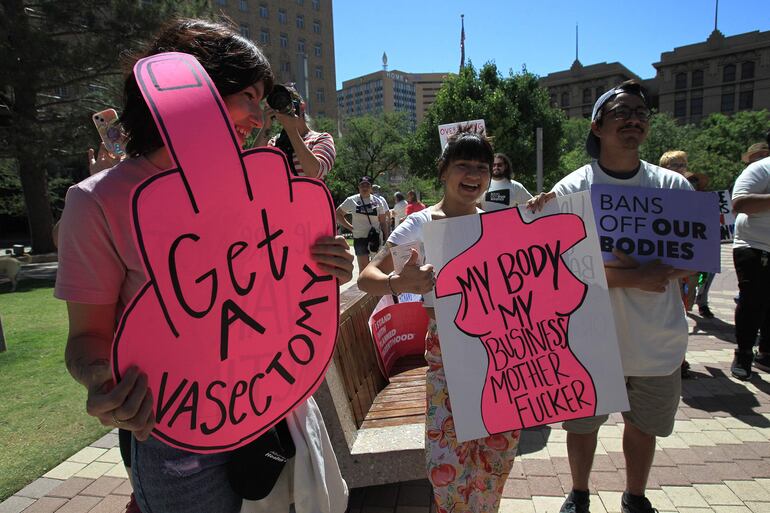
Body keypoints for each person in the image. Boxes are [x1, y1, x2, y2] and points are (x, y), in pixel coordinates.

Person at [55, 19, 353, 513]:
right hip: (177, 441)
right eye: (248, 97)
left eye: (263, 102)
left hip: (272, 407)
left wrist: (324, 267)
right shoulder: (98, 202)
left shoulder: (259, 188)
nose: (259, 119)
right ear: (189, 90)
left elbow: (281, 291)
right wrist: (103, 383)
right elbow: (85, 339)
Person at [530, 80, 693, 513]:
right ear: (597, 126)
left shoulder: (673, 186)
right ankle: (578, 493)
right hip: (589, 341)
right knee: (582, 426)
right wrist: (635, 276)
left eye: (640, 113)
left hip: (657, 340)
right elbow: (559, 269)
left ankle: (634, 497)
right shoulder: (571, 190)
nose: (633, 119)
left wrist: (643, 272)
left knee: (644, 427)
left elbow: (694, 257)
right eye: (622, 112)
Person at [358, 131, 520, 513]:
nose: (473, 174)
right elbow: (366, 277)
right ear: (444, 170)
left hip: (498, 354)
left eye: (481, 167)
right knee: (447, 458)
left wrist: (546, 213)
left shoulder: (497, 225)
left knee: (496, 455)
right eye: (463, 165)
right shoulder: (419, 225)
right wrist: (399, 282)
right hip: (447, 354)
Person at [731, 132, 770, 379]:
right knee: (753, 302)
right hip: (754, 246)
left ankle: (766, 354)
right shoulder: (760, 169)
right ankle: (743, 354)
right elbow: (740, 203)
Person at [255, 84, 336, 179]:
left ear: (301, 106)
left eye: (286, 102)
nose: (282, 106)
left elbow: (315, 173)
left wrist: (292, 132)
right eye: (278, 104)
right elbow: (253, 163)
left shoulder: (322, 139)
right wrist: (267, 124)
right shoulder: (275, 142)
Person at [336, 176, 390, 271]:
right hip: (359, 238)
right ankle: (364, 281)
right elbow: (338, 213)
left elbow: (382, 222)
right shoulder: (351, 200)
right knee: (363, 268)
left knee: (376, 267)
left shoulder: (378, 201)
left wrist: (387, 238)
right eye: (362, 185)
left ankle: (373, 281)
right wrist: (350, 227)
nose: (364, 188)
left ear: (371, 187)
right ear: (358, 187)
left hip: (375, 238)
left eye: (367, 185)